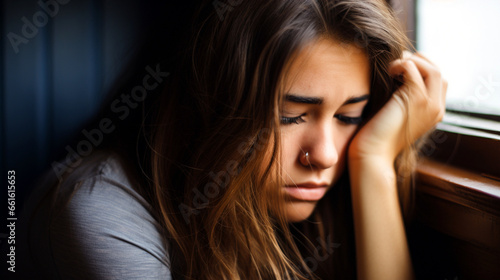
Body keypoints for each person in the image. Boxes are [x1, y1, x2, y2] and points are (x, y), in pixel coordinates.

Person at [17, 0, 447, 279]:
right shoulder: (100, 216)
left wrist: (372, 161)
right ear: (210, 107)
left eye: (349, 116)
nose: (326, 155)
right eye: (289, 116)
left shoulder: (301, 209)